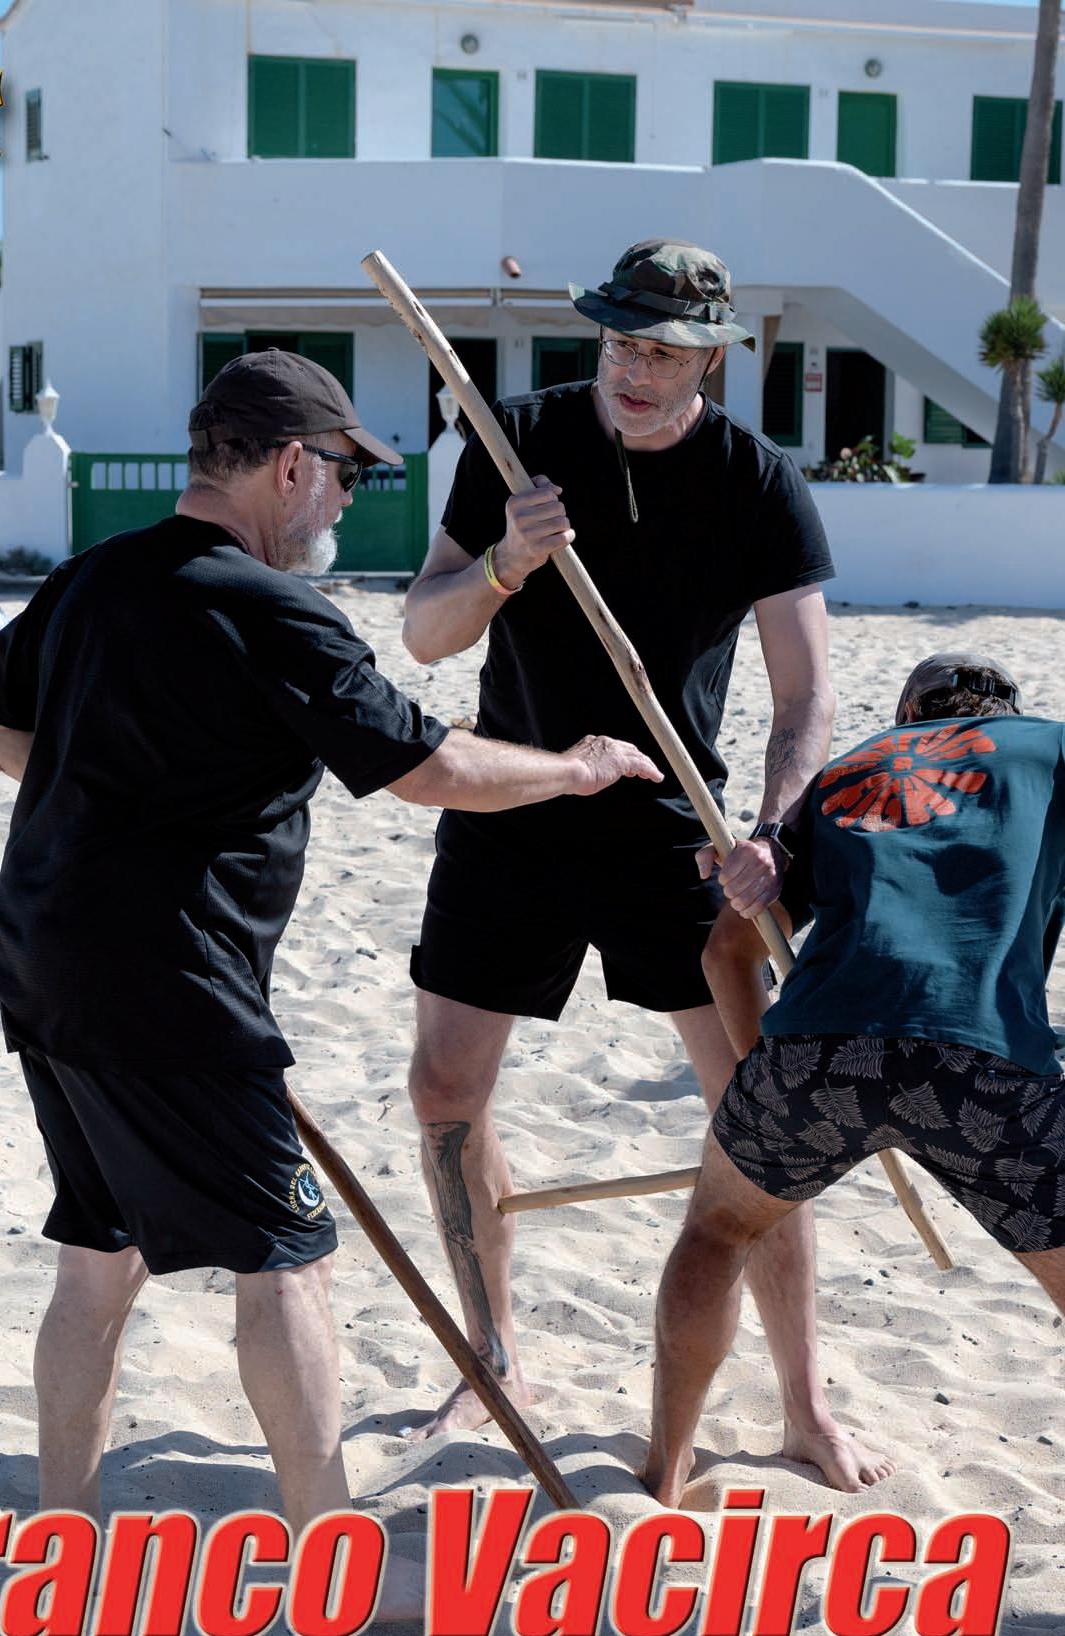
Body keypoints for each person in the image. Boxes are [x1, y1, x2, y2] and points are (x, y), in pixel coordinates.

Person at [0, 349, 661, 1609]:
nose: (343, 497)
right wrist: (576, 768)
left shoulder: (96, 575)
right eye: (341, 473)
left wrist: (91, 797)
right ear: (287, 466)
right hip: (170, 979)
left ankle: (63, 1530)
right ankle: (331, 1554)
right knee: (287, 1257)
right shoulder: (270, 608)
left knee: (100, 1250)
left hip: (44, 951)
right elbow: (429, 766)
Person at [400, 238, 890, 1491]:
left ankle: (802, 1400)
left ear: (711, 357)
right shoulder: (517, 440)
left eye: (665, 351)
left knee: (760, 1117)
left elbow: (805, 698)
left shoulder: (758, 483)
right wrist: (505, 563)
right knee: (445, 1089)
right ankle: (493, 1355)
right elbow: (424, 632)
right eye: (621, 339)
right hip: (514, 794)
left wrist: (773, 833)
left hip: (677, 820)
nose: (633, 367)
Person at [644, 655, 1065, 1507]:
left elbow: (726, 950)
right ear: (1005, 711)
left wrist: (760, 1083)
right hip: (984, 1056)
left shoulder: (847, 773)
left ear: (909, 714)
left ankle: (665, 1472)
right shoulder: (1050, 749)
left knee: (720, 1230)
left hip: (817, 1048)